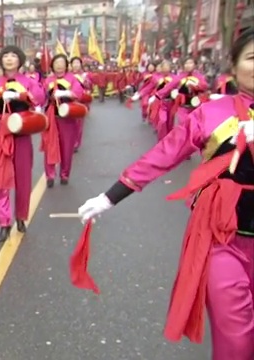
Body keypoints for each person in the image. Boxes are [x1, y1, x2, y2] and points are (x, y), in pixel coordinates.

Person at [77, 28, 254, 360]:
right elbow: (163, 154)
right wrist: (110, 196)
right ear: (234, 65)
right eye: (252, 57)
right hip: (221, 237)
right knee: (237, 340)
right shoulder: (212, 114)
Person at [0, 45, 46, 242]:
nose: (9, 59)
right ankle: (4, 223)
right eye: (5, 56)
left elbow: (39, 100)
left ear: (20, 60)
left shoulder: (29, 82)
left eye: (13, 56)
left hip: (22, 134)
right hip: (1, 135)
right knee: (1, 181)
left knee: (23, 179)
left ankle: (21, 217)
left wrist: (20, 96)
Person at [42, 54, 84, 187]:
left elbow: (79, 93)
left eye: (62, 62)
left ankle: (64, 174)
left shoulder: (72, 79)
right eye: (56, 62)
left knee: (67, 148)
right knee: (50, 146)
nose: (59, 65)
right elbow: (42, 96)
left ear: (66, 65)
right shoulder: (48, 80)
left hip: (67, 117)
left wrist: (66, 93)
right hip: (51, 116)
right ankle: (50, 175)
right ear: (52, 65)